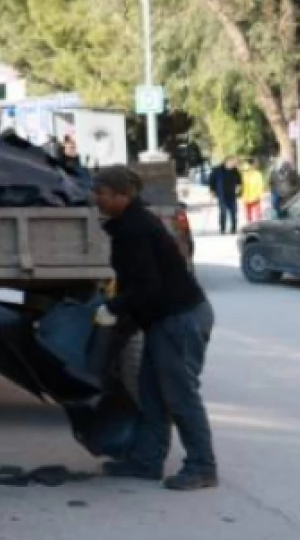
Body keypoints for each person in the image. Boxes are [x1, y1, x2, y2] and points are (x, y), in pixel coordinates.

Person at [90, 166, 217, 491]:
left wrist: (113, 309)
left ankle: (202, 466)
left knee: (179, 395)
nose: (97, 199)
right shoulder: (129, 224)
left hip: (180, 318)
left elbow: (146, 287)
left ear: (122, 195)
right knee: (152, 392)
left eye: (102, 193)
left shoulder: (135, 229)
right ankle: (147, 462)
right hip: (168, 319)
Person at [207, 158, 241, 236]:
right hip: (221, 195)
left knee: (233, 212)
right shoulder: (217, 170)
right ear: (226, 162)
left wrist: (238, 188)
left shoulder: (235, 170)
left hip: (232, 195)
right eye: (231, 163)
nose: (233, 165)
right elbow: (211, 180)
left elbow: (239, 180)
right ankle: (222, 229)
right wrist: (212, 190)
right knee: (223, 212)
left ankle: (233, 229)